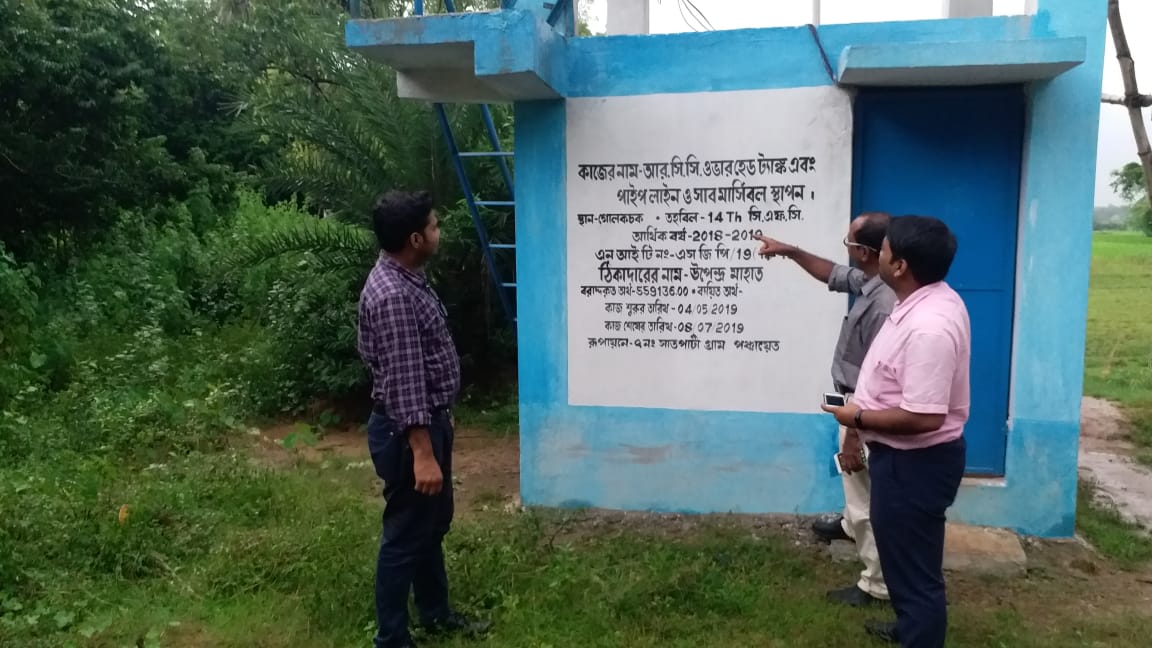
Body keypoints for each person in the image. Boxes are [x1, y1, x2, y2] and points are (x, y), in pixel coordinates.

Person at [821, 215, 970, 648]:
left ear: (900, 265)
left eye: (882, 249)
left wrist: (857, 419)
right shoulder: (920, 300)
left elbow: (925, 417)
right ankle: (910, 628)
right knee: (906, 562)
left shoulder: (929, 328)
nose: (873, 253)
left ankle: (918, 635)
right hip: (901, 461)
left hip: (915, 464)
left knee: (916, 571)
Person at [357, 190, 489, 648]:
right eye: (434, 226)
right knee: (406, 533)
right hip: (410, 430)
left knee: (429, 526)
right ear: (415, 238)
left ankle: (435, 612)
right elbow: (406, 381)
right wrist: (423, 453)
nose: (439, 232)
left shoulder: (404, 278)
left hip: (426, 423)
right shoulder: (394, 294)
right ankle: (391, 638)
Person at [754, 212, 896, 609]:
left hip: (862, 409)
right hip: (852, 403)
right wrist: (791, 252)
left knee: (865, 493)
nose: (845, 249)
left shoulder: (885, 305)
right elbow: (832, 273)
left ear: (866, 252)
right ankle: (851, 527)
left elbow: (878, 378)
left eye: (849, 243)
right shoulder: (874, 279)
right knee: (858, 490)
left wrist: (853, 432)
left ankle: (877, 583)